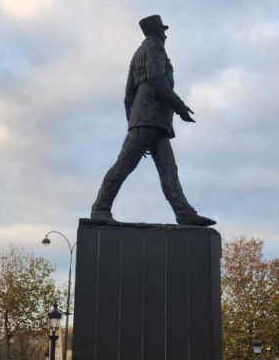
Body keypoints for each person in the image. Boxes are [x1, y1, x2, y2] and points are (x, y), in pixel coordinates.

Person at [90, 14, 215, 227]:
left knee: (168, 169)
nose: (165, 35)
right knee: (124, 165)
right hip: (151, 118)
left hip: (149, 121)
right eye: (163, 30)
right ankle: (100, 209)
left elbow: (128, 95)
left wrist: (133, 121)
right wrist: (179, 107)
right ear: (158, 31)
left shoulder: (138, 53)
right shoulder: (155, 47)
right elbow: (157, 79)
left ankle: (184, 213)